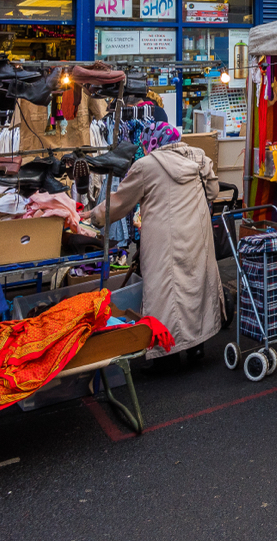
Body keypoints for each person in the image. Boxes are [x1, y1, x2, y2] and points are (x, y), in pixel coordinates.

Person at [85, 122, 224, 370]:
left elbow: (119, 203)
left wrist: (92, 218)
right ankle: (196, 345)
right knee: (196, 286)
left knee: (164, 294)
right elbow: (212, 191)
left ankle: (166, 353)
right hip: (197, 236)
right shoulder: (199, 157)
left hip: (164, 241)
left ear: (152, 142)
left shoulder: (146, 166)